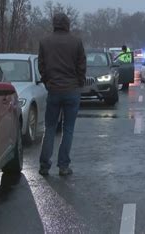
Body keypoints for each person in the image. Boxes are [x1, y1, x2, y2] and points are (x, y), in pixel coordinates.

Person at [38, 13, 86, 176]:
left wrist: (47, 82)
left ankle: (44, 165)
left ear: (54, 24)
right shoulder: (76, 42)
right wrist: (79, 82)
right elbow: (81, 66)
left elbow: (41, 66)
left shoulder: (45, 42)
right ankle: (63, 166)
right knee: (68, 129)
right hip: (72, 90)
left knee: (50, 128)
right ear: (67, 24)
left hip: (54, 90)